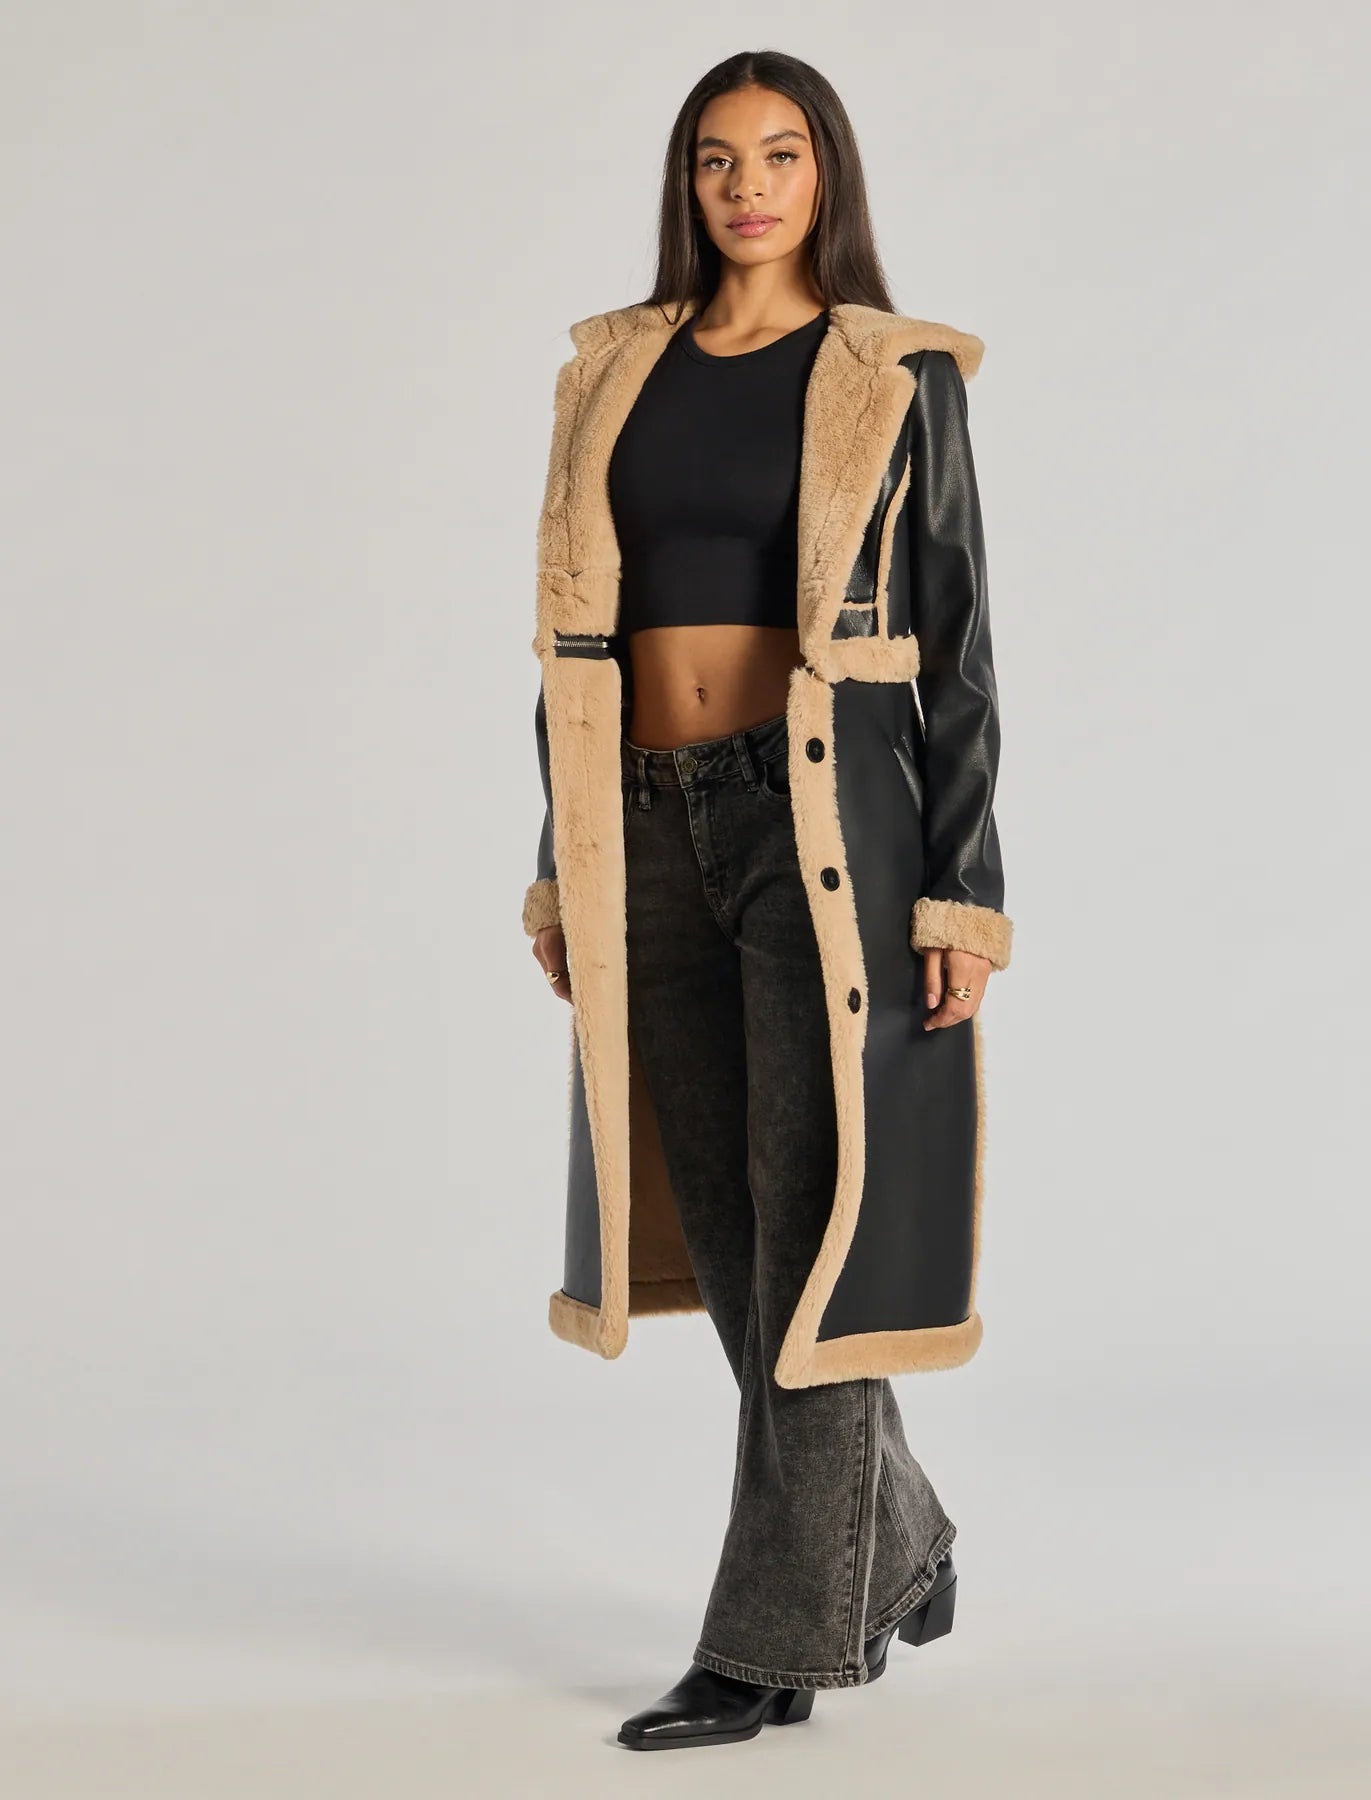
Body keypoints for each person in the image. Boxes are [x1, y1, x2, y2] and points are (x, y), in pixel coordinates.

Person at [521, 50, 1013, 1750]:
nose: (747, 187)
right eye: (717, 159)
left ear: (826, 176)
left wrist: (959, 893)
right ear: (688, 183)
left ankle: (770, 1642)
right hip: (643, 828)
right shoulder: (613, 373)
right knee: (738, 1242)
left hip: (820, 833)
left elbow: (957, 647)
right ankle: (898, 1534)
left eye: (779, 155)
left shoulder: (893, 375)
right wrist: (557, 857)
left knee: (815, 1224)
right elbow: (567, 639)